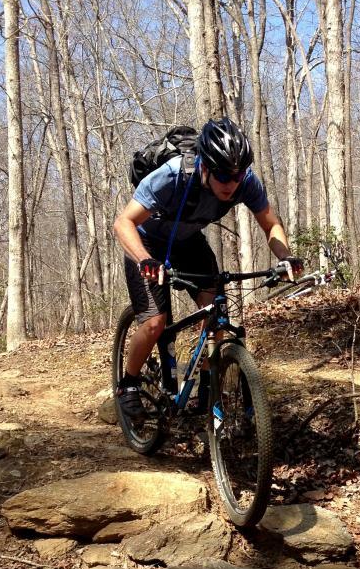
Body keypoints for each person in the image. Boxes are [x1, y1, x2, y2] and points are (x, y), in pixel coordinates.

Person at [113, 117, 302, 416]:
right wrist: (144, 259)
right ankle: (129, 383)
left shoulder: (245, 183)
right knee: (154, 323)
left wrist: (285, 257)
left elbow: (271, 224)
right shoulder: (172, 176)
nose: (232, 183)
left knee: (215, 313)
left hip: (188, 242)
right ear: (204, 167)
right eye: (224, 176)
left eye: (238, 175)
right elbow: (123, 222)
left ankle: (206, 381)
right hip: (148, 243)